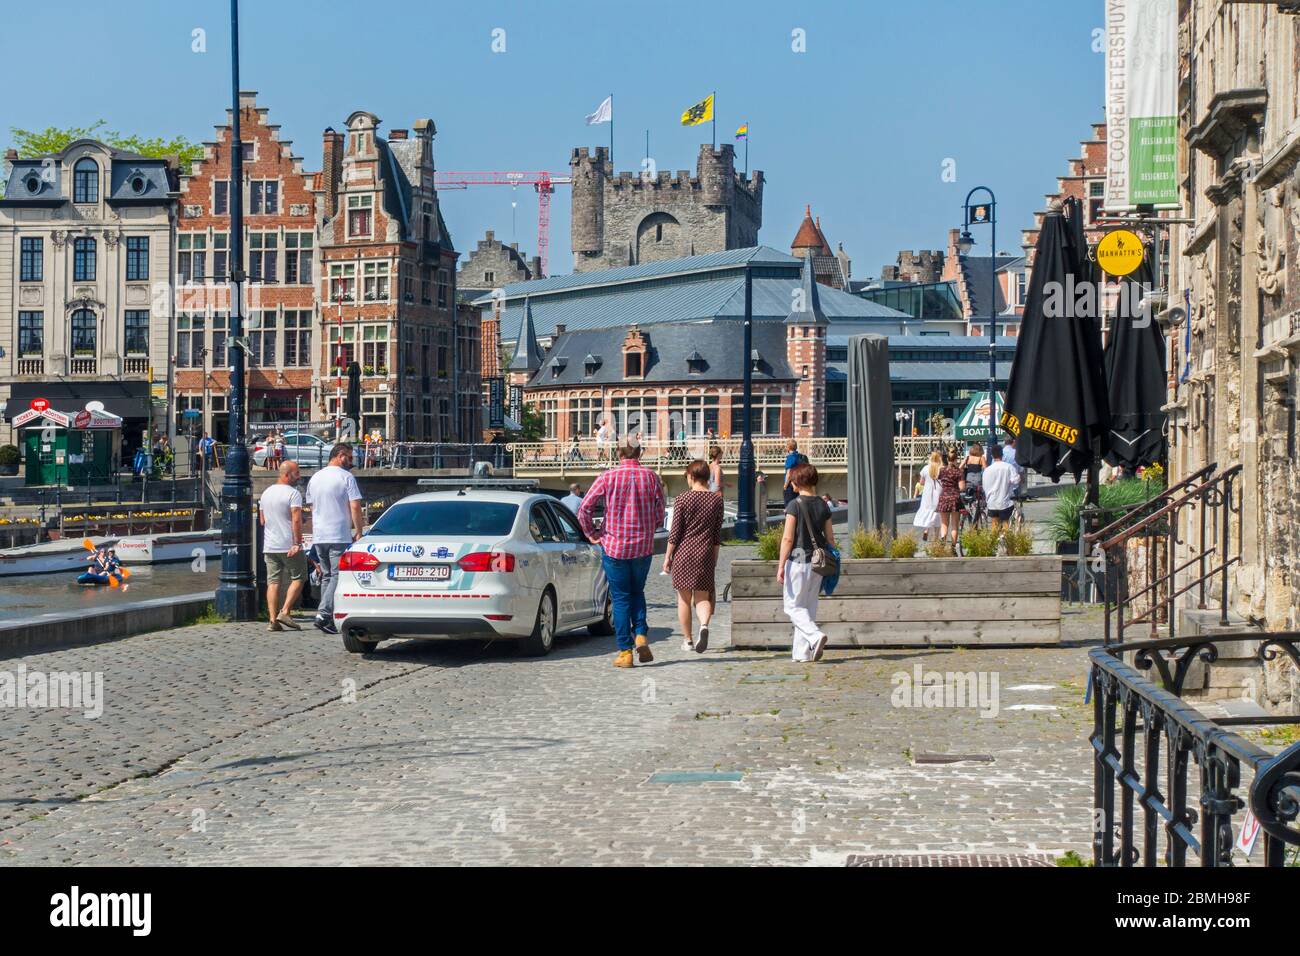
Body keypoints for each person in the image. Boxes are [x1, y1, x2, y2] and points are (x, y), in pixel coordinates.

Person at [577, 440, 665, 668]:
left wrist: (592, 533)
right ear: (640, 453)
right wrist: (649, 527)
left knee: (620, 597)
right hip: (642, 548)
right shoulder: (651, 477)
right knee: (637, 592)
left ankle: (625, 651)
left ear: (618, 453)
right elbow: (659, 511)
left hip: (615, 547)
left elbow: (584, 507)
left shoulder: (607, 477)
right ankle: (642, 634)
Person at [778, 462, 837, 663]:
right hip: (818, 562)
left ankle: (815, 636)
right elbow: (830, 538)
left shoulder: (794, 505)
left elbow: (787, 539)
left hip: (797, 560)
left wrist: (780, 566)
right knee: (808, 607)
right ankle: (802, 654)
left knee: (793, 607)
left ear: (798, 481)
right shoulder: (823, 504)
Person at [664, 459, 724, 654]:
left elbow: (675, 533)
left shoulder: (683, 499)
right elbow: (716, 535)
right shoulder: (717, 500)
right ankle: (704, 626)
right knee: (702, 596)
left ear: (691, 476)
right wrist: (714, 558)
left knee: (683, 599)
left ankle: (688, 640)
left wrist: (667, 557)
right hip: (705, 552)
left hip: (684, 553)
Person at [306, 443, 365, 635]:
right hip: (338, 533)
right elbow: (355, 506)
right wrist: (359, 530)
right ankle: (323, 614)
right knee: (337, 574)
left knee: (327, 575)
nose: (352, 461)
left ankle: (326, 616)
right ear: (340, 456)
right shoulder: (346, 477)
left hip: (319, 534)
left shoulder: (315, 477)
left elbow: (312, 506)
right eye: (349, 457)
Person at [260, 460, 307, 631]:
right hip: (288, 544)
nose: (299, 476)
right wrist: (297, 543)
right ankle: (285, 611)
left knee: (273, 582)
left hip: (270, 545)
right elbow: (296, 518)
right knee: (299, 577)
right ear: (286, 475)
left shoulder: (266, 493)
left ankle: (272, 620)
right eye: (296, 473)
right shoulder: (293, 494)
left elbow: (262, 520)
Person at [983, 444, 1022, 531]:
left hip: (992, 502)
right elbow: (1016, 480)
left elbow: (985, 486)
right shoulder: (1008, 467)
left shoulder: (987, 470)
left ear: (992, 456)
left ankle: (994, 542)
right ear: (1002, 455)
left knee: (994, 524)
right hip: (1005, 501)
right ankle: (1006, 541)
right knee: (1005, 523)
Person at [913, 450, 943, 542]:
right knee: (938, 514)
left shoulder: (926, 468)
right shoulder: (941, 468)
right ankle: (936, 537)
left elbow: (921, 482)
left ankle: (926, 530)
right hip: (939, 493)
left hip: (927, 494)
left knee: (928, 512)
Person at [936, 449, 964, 545]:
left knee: (944, 524)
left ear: (947, 459)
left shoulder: (942, 470)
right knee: (954, 525)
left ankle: (943, 540)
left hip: (943, 497)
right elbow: (962, 487)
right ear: (956, 459)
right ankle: (953, 547)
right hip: (955, 499)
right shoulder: (958, 472)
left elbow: (937, 478)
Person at [782, 439, 807, 507]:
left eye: (786, 446)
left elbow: (789, 473)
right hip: (798, 484)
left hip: (791, 486)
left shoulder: (790, 457)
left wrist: (785, 485)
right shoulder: (798, 456)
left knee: (789, 507)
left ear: (788, 447)